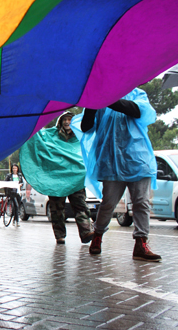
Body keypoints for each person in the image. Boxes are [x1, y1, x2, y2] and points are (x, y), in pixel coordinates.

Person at [79, 89, 160, 261]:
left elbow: (138, 111)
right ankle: (98, 236)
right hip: (110, 161)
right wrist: (92, 104)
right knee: (108, 203)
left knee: (141, 202)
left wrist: (105, 97)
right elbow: (86, 126)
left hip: (137, 159)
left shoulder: (138, 94)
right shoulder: (98, 99)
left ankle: (141, 243)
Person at [20, 111, 94, 244]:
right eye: (64, 119)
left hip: (75, 180)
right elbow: (37, 136)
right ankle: (60, 235)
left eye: (70, 119)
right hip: (56, 180)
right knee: (57, 209)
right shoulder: (50, 135)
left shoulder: (80, 136)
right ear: (60, 121)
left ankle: (86, 232)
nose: (67, 122)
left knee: (80, 206)